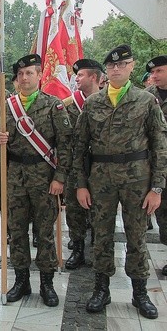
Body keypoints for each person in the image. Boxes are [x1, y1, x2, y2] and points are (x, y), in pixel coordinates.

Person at [74, 45, 167, 319]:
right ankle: (101, 289)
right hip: (101, 178)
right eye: (111, 66)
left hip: (137, 179)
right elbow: (80, 147)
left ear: (131, 66)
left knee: (136, 236)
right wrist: (80, 184)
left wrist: (157, 187)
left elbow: (160, 146)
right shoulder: (92, 103)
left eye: (122, 64)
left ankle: (139, 293)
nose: (116, 69)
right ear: (106, 71)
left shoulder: (146, 101)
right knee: (101, 236)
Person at [0, 54, 72, 307]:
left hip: (44, 177)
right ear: (15, 79)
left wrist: (60, 178)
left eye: (30, 73)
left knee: (45, 233)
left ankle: (46, 283)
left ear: (39, 76)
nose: (24, 78)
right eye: (20, 74)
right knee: (16, 232)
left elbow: (66, 145)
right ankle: (21, 280)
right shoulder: (8, 106)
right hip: (15, 177)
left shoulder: (53, 105)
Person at [62, 59, 103, 270]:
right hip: (75, 166)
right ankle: (77, 249)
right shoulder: (69, 103)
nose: (76, 79)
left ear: (94, 77)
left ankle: (98, 248)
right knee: (74, 210)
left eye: (80, 75)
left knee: (101, 209)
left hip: (101, 166)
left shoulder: (108, 102)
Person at [144, 55, 167, 276]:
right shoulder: (148, 97)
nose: (154, 76)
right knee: (162, 214)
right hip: (156, 165)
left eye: (159, 71)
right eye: (153, 73)